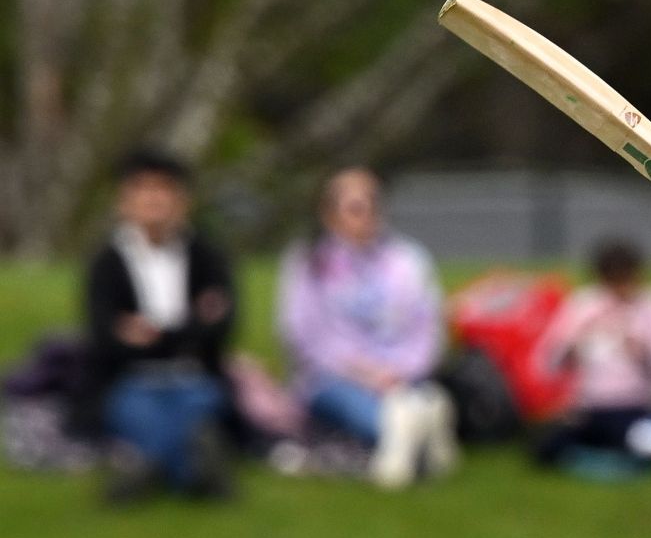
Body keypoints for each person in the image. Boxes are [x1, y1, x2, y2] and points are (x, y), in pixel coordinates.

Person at [276, 167, 454, 489]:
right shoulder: (310, 264)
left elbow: (427, 329)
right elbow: (306, 338)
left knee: (398, 408)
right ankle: (415, 429)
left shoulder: (409, 260)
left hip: (400, 376)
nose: (366, 216)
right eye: (355, 208)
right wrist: (366, 373)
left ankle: (408, 429)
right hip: (334, 377)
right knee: (368, 410)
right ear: (329, 215)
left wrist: (400, 370)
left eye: (373, 205)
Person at [81, 148, 238, 502]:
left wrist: (152, 334)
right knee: (139, 411)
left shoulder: (208, 256)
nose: (153, 199)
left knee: (200, 405)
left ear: (183, 200)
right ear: (124, 201)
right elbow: (104, 335)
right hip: (130, 379)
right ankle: (190, 472)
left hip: (193, 375)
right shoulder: (106, 262)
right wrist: (188, 328)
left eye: (163, 189)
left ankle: (147, 467)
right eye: (142, 189)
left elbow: (223, 326)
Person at [529, 240, 651, 473]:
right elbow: (545, 362)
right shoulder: (584, 304)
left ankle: (622, 452)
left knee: (643, 438)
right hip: (589, 407)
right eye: (613, 283)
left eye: (627, 280)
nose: (621, 290)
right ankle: (614, 456)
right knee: (545, 445)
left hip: (641, 404)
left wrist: (641, 352)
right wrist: (574, 347)